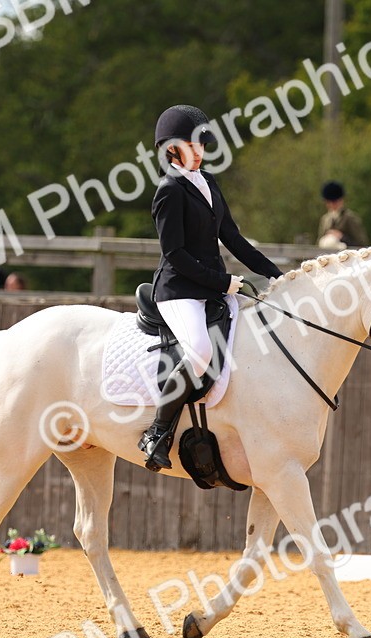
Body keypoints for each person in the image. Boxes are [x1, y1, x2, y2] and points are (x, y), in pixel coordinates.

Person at [138, 104, 283, 472]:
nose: (200, 151)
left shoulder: (208, 182)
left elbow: (232, 238)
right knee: (201, 350)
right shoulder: (169, 191)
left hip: (211, 288)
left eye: (202, 144)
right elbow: (175, 254)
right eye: (193, 145)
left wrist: (275, 274)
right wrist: (224, 281)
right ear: (172, 149)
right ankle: (157, 432)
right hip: (178, 290)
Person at [317, 181, 368, 249]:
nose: (332, 205)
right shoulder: (325, 219)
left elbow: (362, 244)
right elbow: (318, 243)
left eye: (334, 202)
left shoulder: (350, 218)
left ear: (341, 200)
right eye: (329, 202)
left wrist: (342, 237)